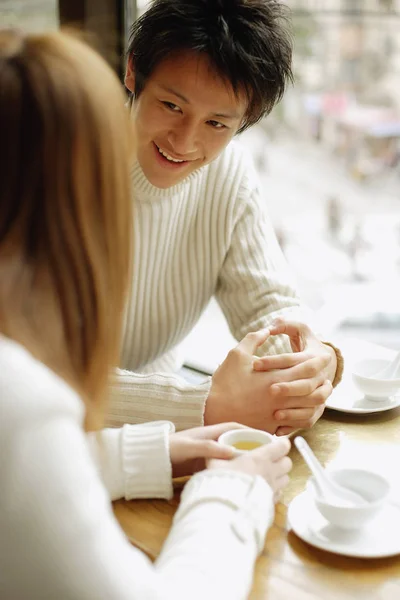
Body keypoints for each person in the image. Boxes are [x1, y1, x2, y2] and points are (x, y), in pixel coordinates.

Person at [0, 28, 292, 599]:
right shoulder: (24, 401)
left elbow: (34, 464)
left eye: (218, 122)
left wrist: (152, 451)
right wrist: (231, 490)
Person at [109, 0, 344, 436]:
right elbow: (32, 373)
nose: (185, 141)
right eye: (171, 106)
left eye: (217, 124)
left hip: (165, 422)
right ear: (132, 70)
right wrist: (203, 406)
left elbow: (267, 304)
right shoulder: (62, 158)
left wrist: (307, 364)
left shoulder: (227, 174)